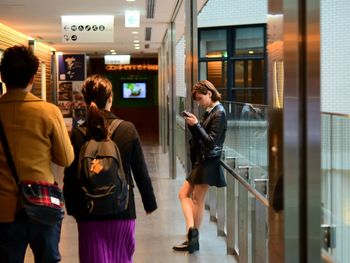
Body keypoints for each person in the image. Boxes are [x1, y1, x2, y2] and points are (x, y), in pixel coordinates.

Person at [63, 74, 157, 263]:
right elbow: (141, 172)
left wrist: (73, 208)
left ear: (85, 100)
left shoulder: (78, 134)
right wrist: (149, 203)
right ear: (110, 99)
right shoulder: (128, 129)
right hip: (122, 210)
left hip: (88, 213)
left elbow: (71, 177)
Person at [0, 45, 74, 262]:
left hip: (3, 209)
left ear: (2, 75)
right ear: (33, 78)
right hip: (42, 204)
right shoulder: (48, 112)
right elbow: (66, 158)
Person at [173, 80, 227, 253]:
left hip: (208, 161)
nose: (199, 102)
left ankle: (192, 234)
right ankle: (192, 235)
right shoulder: (212, 111)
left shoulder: (219, 113)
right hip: (203, 161)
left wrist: (196, 124)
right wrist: (194, 125)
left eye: (200, 98)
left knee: (194, 198)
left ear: (209, 94)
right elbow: (202, 137)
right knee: (189, 197)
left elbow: (211, 143)